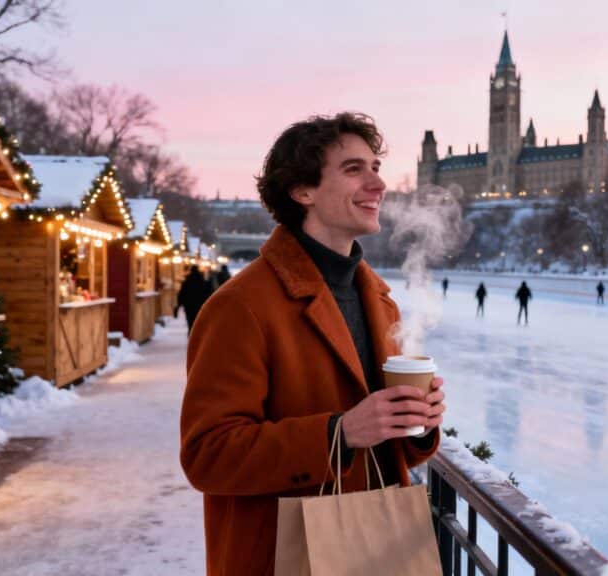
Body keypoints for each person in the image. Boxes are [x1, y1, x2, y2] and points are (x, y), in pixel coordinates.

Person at [179, 113, 444, 575]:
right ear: (303, 192)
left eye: (376, 167)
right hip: (282, 556)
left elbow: (384, 440)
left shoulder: (381, 303)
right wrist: (337, 435)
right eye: (353, 169)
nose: (378, 184)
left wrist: (418, 422)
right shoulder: (240, 306)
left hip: (374, 548)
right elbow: (208, 455)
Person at [176, 265, 212, 335]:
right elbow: (207, 293)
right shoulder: (202, 281)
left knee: (190, 321)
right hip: (200, 305)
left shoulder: (187, 281)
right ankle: (197, 336)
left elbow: (182, 293)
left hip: (189, 305)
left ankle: (191, 335)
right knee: (198, 321)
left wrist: (179, 304)